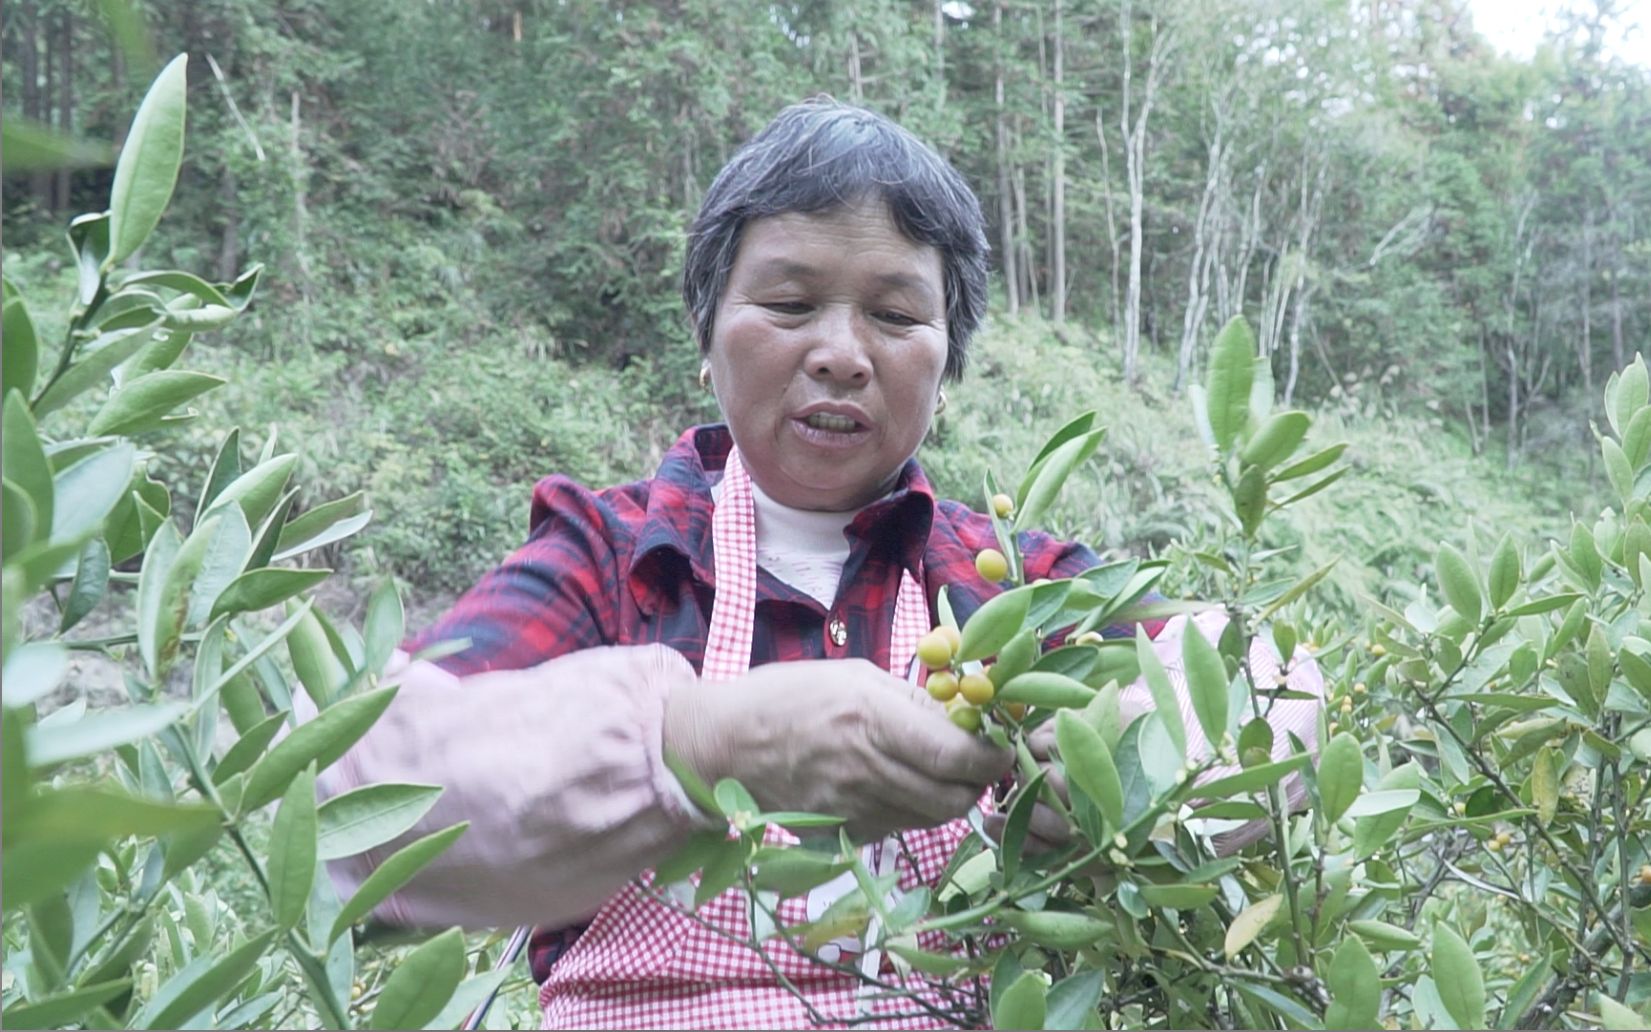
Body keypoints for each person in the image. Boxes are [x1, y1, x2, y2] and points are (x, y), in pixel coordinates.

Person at [318, 98, 1322, 1029]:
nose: (842, 352)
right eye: (790, 304)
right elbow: (359, 797)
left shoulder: (1005, 583)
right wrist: (696, 745)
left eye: (894, 316)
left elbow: (1268, 685)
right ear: (706, 341)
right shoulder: (615, 561)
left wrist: (1127, 765)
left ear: (946, 365)